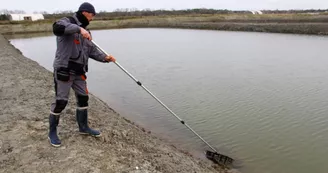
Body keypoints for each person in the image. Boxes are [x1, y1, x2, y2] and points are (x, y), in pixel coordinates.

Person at [48, 2, 116, 147]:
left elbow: (91, 51)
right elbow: (56, 28)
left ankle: (83, 127)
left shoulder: (87, 32)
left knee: (84, 99)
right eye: (92, 15)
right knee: (61, 102)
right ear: (85, 12)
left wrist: (105, 58)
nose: (92, 18)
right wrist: (78, 29)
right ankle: (52, 132)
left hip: (79, 72)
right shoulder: (67, 22)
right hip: (64, 70)